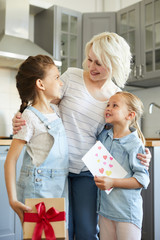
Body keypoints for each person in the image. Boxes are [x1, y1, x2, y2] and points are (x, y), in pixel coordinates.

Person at [12, 32, 151, 240]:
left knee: (86, 231)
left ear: (114, 64)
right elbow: (45, 104)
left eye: (99, 63)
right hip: (54, 168)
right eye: (90, 59)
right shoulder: (72, 76)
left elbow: (121, 132)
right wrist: (22, 115)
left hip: (88, 170)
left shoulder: (115, 95)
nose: (91, 67)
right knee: (55, 231)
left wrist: (141, 152)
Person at [4, 55, 69, 236]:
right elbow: (10, 160)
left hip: (58, 188)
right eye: (56, 77)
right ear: (41, 84)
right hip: (38, 189)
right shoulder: (29, 117)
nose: (61, 83)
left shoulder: (55, 111)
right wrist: (12, 199)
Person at [94, 91, 150, 240]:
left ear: (130, 115)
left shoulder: (134, 144)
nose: (108, 108)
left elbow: (142, 180)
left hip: (126, 214)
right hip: (105, 211)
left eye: (114, 106)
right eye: (107, 105)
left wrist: (112, 182)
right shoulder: (104, 136)